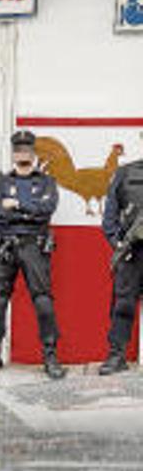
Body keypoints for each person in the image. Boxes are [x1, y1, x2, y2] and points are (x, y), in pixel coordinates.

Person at [0, 130, 66, 380]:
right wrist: (28, 212)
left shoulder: (47, 181)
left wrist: (16, 206)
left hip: (34, 246)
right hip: (4, 246)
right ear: (13, 153)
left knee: (43, 300)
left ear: (33, 153)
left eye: (27, 149)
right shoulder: (1, 181)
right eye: (18, 149)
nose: (22, 153)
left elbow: (46, 210)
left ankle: (50, 355)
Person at [99, 150, 143, 375]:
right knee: (124, 304)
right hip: (132, 252)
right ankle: (117, 355)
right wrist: (118, 244)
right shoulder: (124, 174)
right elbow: (109, 217)